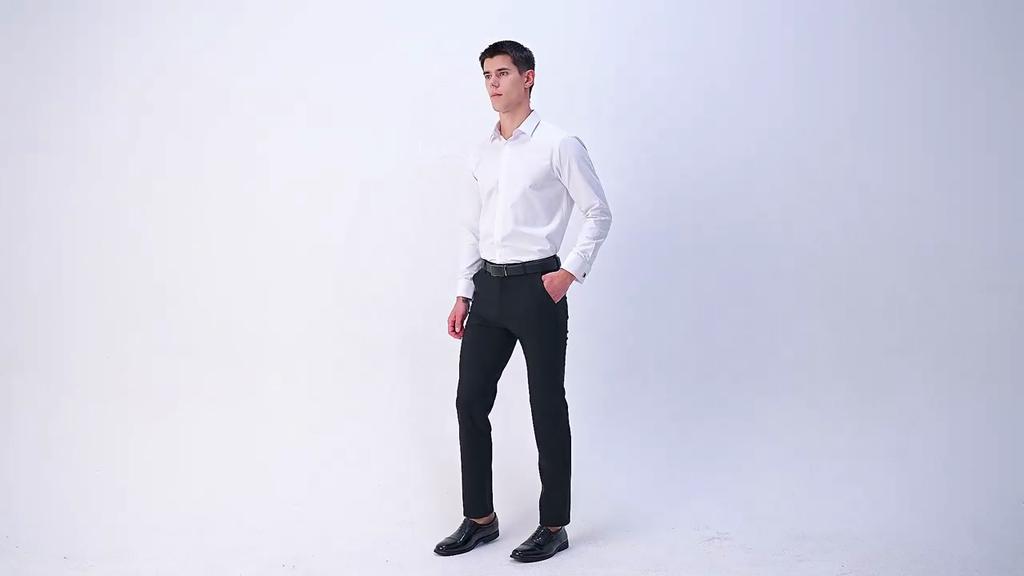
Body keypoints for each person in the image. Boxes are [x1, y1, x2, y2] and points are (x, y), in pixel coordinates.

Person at [433, 40, 612, 563]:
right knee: (470, 402)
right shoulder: (482, 152)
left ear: (527, 78)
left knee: (546, 404)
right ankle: (480, 518)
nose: (493, 83)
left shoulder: (559, 145)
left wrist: (568, 273)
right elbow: (471, 228)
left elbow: (598, 211)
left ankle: (553, 524)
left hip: (538, 288)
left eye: (503, 73)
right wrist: (464, 291)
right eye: (487, 75)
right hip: (488, 289)